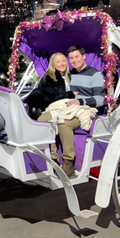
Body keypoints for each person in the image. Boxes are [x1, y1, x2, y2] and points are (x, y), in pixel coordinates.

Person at [41, 45, 105, 177]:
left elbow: (100, 99)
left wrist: (80, 101)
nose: (74, 60)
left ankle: (69, 162)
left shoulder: (95, 74)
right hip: (69, 106)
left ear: (83, 56)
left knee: (64, 122)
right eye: (71, 58)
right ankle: (52, 158)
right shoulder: (71, 74)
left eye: (77, 57)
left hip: (86, 108)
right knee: (44, 120)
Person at [23, 52, 75, 120]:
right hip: (50, 106)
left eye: (63, 61)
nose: (62, 64)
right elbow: (50, 97)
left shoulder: (70, 75)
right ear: (53, 64)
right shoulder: (49, 77)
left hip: (67, 105)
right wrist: (70, 94)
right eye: (58, 62)